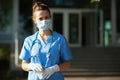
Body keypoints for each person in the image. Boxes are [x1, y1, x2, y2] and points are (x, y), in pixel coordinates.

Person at [19, 1, 72, 80]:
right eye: (40, 18)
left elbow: (67, 64)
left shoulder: (60, 39)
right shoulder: (29, 41)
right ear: (34, 20)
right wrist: (31, 66)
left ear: (50, 18)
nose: (44, 21)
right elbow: (24, 65)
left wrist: (54, 68)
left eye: (46, 18)